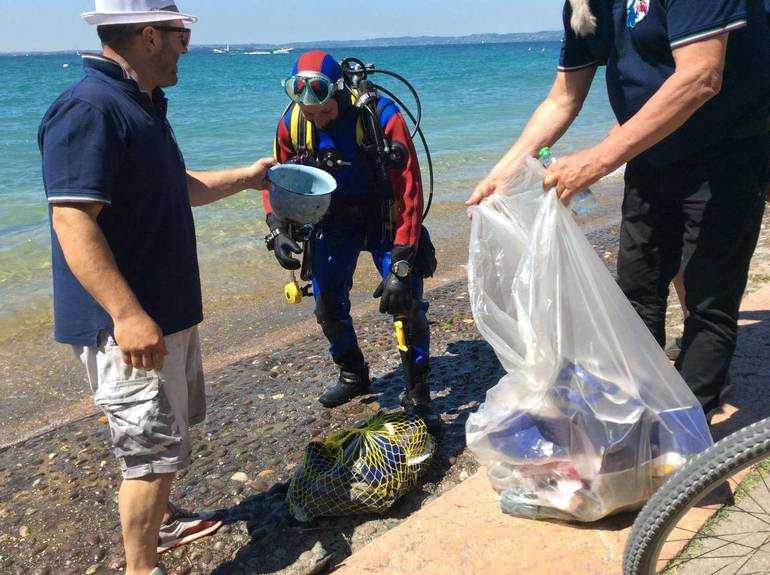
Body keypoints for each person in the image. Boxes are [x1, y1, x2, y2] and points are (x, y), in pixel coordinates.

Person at [38, 2, 275, 574]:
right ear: (149, 36)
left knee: (166, 438)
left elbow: (179, 187)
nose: (186, 46)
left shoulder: (138, 104)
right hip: (126, 324)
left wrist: (247, 178)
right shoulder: (89, 108)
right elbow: (73, 219)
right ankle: (141, 567)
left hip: (162, 313)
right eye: (180, 34)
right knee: (149, 454)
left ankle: (162, 521)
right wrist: (126, 314)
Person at [467, 0, 770, 422]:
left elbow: (701, 76)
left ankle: (686, 445)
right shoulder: (586, 5)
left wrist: (596, 161)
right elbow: (563, 98)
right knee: (636, 292)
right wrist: (505, 171)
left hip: (726, 156)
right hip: (649, 153)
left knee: (707, 301)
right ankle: (639, 417)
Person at [263, 51, 440, 429]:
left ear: (339, 91)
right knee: (326, 304)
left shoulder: (379, 116)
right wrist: (278, 229)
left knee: (406, 302)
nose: (317, 118)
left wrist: (404, 258)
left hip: (384, 218)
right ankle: (353, 374)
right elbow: (279, 180)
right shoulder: (293, 124)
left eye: (324, 111)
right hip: (333, 221)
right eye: (309, 112)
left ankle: (417, 388)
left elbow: (410, 189)